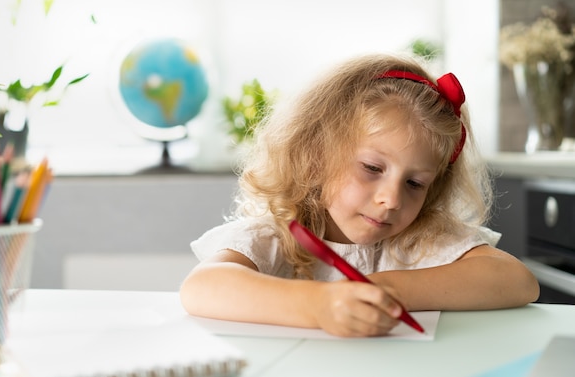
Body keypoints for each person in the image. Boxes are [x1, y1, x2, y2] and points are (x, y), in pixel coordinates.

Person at [180, 54, 540, 337]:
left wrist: (384, 289)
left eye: (415, 183)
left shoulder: (418, 238)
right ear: (315, 155)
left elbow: (516, 280)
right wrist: (320, 305)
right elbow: (203, 286)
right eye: (371, 168)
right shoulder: (276, 235)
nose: (392, 199)